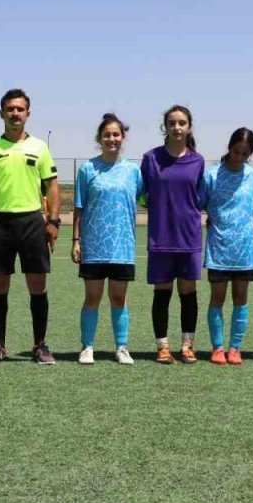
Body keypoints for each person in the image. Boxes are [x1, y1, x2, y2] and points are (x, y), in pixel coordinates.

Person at [0, 88, 61, 365]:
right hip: (0, 223)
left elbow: (52, 186)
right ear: (1, 113)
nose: (14, 113)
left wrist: (54, 221)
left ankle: (40, 345)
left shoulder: (39, 148)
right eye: (10, 109)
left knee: (38, 285)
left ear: (28, 114)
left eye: (19, 109)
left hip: (33, 222)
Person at [72, 113, 143, 365]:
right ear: (99, 138)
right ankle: (87, 346)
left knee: (118, 298)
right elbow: (79, 208)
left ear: (122, 137)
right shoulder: (87, 169)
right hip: (94, 246)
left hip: (122, 246)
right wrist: (76, 240)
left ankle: (121, 347)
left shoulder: (133, 171)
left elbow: (147, 199)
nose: (112, 139)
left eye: (116, 134)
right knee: (92, 297)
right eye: (107, 135)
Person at [139, 105, 205, 363]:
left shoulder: (197, 161)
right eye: (172, 123)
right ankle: (162, 347)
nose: (177, 127)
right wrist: (159, 208)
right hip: (161, 238)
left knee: (188, 294)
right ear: (164, 127)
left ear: (189, 127)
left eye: (182, 123)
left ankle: (187, 346)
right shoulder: (151, 158)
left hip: (189, 238)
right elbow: (142, 193)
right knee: (162, 294)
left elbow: (199, 197)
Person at [200, 128, 253, 366]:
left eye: (245, 153)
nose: (239, 156)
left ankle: (235, 348)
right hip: (219, 246)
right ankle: (217, 348)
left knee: (240, 298)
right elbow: (201, 202)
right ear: (229, 148)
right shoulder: (212, 175)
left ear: (251, 153)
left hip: (244, 248)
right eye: (236, 151)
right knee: (217, 298)